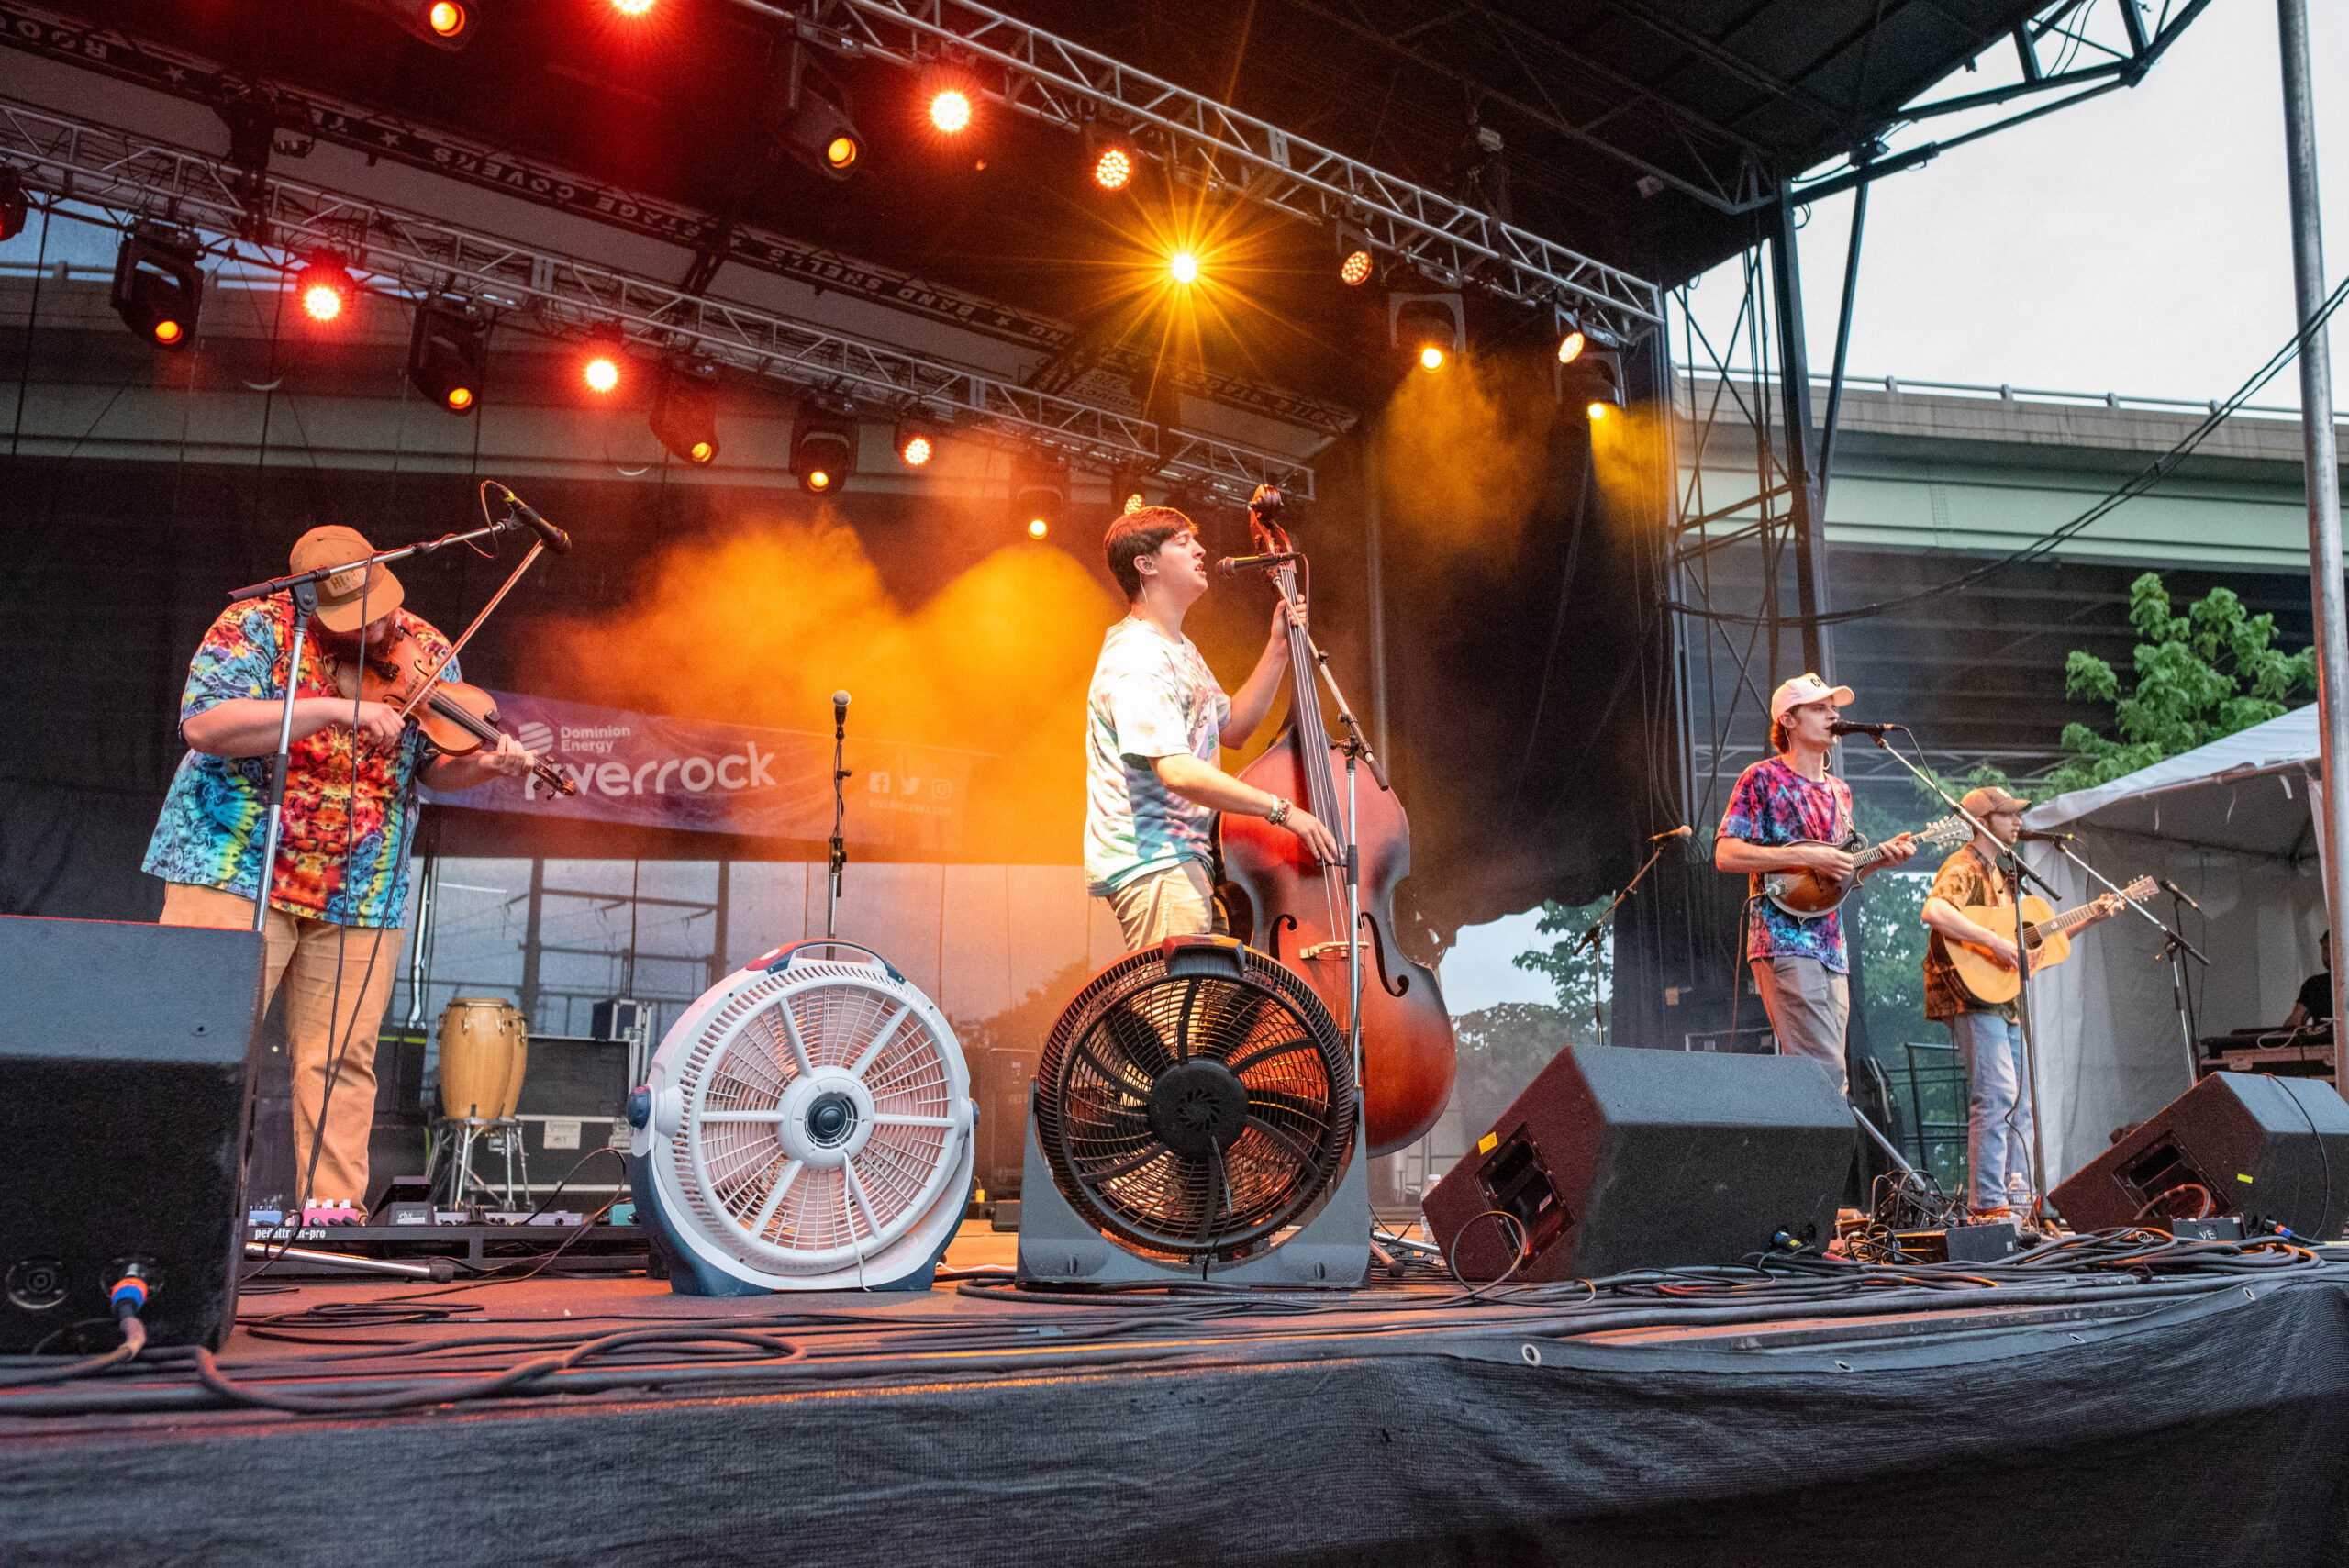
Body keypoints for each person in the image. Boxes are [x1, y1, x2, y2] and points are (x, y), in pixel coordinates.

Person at [144, 524, 539, 1218]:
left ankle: (330, 1215)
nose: (380, 629)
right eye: (359, 619)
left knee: (342, 1057)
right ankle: (174, 1211)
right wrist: (335, 709)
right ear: (309, 599)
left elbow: (432, 769)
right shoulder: (256, 627)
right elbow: (206, 725)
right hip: (233, 861)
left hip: (360, 879)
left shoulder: (424, 647)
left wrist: (484, 766)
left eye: (383, 609)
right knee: (202, 1039)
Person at [1085, 506, 1341, 950]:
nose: (1200, 549)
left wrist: (1279, 647)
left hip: (1184, 860)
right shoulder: (1138, 657)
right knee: (1185, 995)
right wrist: (1283, 811)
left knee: (1209, 992)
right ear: (1146, 565)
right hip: (1158, 863)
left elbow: (1233, 727)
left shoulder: (1180, 650)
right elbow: (1177, 770)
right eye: (1182, 541)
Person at [1920, 785, 2121, 1220]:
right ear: (1981, 822)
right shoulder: (1963, 865)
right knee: (1995, 1095)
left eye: (2017, 815)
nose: (2018, 822)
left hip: (2002, 999)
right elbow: (1935, 911)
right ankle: (1987, 1202)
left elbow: (2032, 940)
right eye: (2008, 815)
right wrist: (1995, 943)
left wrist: (2090, 916)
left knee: (2021, 1100)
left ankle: (2017, 1196)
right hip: (1970, 996)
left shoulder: (2003, 875)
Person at [1714, 673, 1916, 1092]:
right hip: (1784, 941)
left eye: (1834, 709)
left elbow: (1838, 875)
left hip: (1832, 948)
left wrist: (1880, 860)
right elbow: (1726, 854)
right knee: (1825, 1075)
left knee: (1825, 1077)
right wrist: (1805, 854)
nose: (1833, 716)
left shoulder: (1840, 792)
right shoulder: (1762, 778)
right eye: (1820, 708)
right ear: (1789, 720)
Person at [2285, 931, 2332, 1029]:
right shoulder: (2314, 985)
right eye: (2325, 948)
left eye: (2332, 948)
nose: (2327, 954)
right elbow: (2294, 1022)